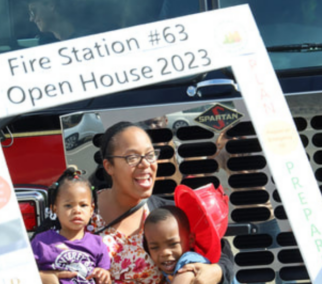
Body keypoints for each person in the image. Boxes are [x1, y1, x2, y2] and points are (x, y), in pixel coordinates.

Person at [85, 121, 234, 283]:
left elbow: (221, 255)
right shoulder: (81, 213)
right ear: (109, 166)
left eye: (150, 155)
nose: (145, 164)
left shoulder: (170, 213)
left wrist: (215, 271)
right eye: (132, 157)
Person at [31, 167, 111, 284]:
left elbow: (105, 277)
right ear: (55, 209)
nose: (77, 210)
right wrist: (42, 277)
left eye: (83, 205)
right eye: (68, 205)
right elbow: (23, 274)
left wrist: (104, 275)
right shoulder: (41, 242)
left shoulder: (98, 244)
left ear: (91, 210)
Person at [143, 206, 209, 284]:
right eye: (154, 247)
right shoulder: (172, 268)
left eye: (173, 244)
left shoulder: (189, 262)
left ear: (190, 240)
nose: (164, 253)